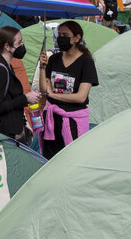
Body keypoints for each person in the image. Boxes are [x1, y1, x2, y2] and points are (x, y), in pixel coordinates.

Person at [39, 20, 98, 158]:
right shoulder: (54, 59)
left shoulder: (86, 62)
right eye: (59, 35)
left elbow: (81, 96)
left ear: (77, 38)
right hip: (52, 121)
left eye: (65, 35)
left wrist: (53, 95)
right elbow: (44, 89)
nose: (61, 38)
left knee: (72, 157)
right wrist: (42, 67)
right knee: (49, 159)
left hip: (73, 120)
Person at [0, 26, 41, 144]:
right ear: (7, 46)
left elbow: (9, 96)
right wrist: (25, 98)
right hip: (4, 133)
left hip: (13, 129)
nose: (22, 46)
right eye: (19, 43)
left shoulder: (7, 66)